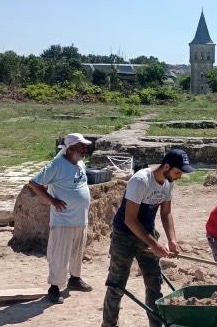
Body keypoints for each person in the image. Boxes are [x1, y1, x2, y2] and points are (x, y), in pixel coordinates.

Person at [101, 149, 193, 327]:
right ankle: (109, 324)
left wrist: (172, 240)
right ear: (166, 166)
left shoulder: (168, 182)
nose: (179, 176)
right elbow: (130, 219)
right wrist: (155, 244)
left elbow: (166, 213)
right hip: (124, 237)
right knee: (116, 286)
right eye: (177, 172)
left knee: (154, 285)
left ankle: (156, 325)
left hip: (148, 235)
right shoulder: (140, 180)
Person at [28, 133, 94, 304]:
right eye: (81, 147)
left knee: (77, 252)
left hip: (80, 218)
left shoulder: (79, 162)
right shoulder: (57, 164)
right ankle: (54, 288)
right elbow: (34, 183)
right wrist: (52, 200)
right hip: (63, 220)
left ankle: (75, 278)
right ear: (70, 148)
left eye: (85, 146)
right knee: (59, 255)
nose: (85, 149)